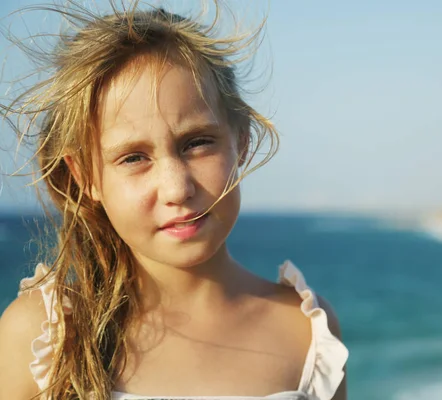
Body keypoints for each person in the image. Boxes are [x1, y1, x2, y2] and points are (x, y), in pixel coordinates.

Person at [0, 2, 348, 399]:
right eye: (133, 158)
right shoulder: (45, 337)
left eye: (197, 143)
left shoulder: (307, 333)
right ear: (85, 177)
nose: (177, 188)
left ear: (242, 141)